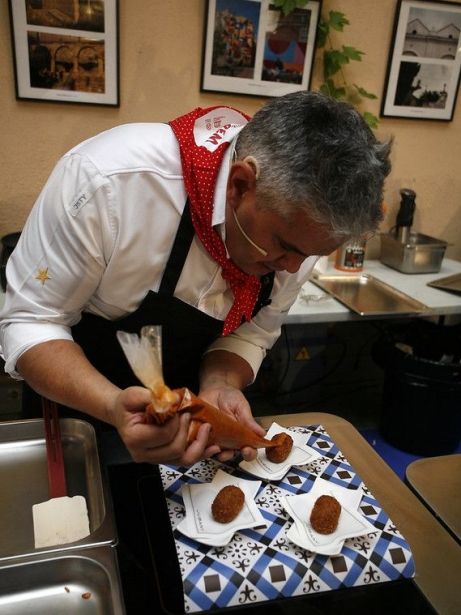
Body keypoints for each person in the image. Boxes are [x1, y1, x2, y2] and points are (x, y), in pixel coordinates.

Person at [0, 91, 391, 467]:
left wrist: (221, 382)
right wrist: (111, 406)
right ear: (240, 184)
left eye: (309, 256)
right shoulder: (110, 181)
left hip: (191, 439)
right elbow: (32, 321)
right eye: (284, 248)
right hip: (77, 418)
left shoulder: (298, 234)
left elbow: (251, 332)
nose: (292, 268)